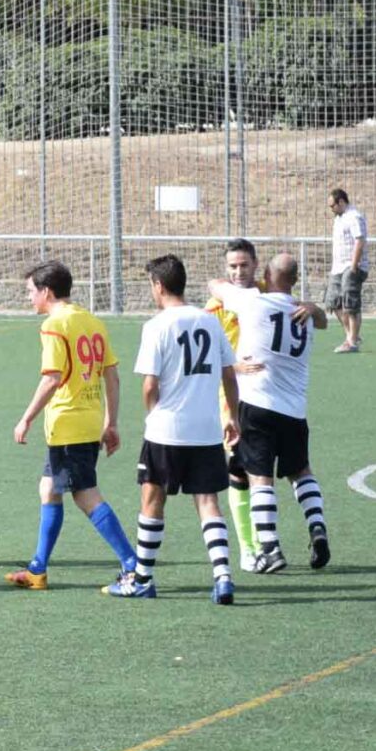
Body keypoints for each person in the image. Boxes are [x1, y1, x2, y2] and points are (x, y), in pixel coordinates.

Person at [113, 254, 242, 603]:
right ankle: (223, 576)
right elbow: (230, 375)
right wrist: (232, 416)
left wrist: (153, 415)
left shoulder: (156, 326)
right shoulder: (210, 321)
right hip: (207, 429)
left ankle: (141, 579)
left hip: (167, 430)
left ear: (158, 285)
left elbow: (149, 386)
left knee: (152, 500)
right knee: (207, 501)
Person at [6, 261, 140, 589]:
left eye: (30, 292)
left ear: (47, 292)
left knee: (85, 495)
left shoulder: (54, 325)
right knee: (49, 488)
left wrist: (26, 418)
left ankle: (133, 564)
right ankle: (38, 568)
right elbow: (112, 374)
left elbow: (52, 378)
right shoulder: (91, 321)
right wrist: (111, 422)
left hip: (68, 423)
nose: (29, 298)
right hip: (89, 420)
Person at [219, 252, 334, 572]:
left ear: (266, 277)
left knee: (259, 477)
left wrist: (246, 287)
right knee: (301, 471)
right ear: (295, 281)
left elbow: (217, 286)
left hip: (257, 404)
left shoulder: (253, 303)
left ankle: (270, 548)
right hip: (295, 410)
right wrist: (313, 306)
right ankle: (317, 527)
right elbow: (324, 320)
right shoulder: (305, 314)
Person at [206, 239, 261, 564]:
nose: (239, 271)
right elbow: (204, 354)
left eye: (244, 265)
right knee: (241, 471)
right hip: (233, 400)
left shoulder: (268, 294)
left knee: (264, 471)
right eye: (233, 266)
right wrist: (235, 366)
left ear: (256, 264)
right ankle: (248, 547)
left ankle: (265, 539)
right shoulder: (214, 308)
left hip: (271, 397)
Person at [327, 188, 368, 352]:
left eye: (332, 206)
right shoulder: (339, 218)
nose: (331, 209)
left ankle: (351, 342)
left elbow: (360, 240)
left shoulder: (354, 217)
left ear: (341, 202)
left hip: (351, 267)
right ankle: (351, 335)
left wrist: (353, 266)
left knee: (350, 304)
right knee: (333, 301)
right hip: (337, 267)